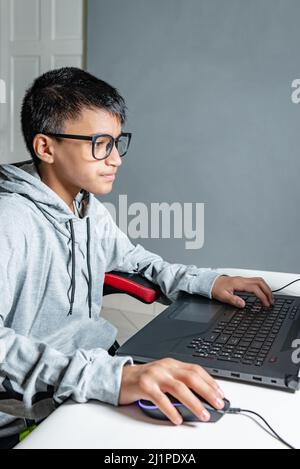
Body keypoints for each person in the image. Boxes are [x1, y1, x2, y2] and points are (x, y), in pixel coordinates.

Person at [0, 67, 274, 448]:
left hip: (98, 368)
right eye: (100, 143)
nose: (116, 159)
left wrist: (208, 281)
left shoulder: (86, 206)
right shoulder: (10, 220)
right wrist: (113, 379)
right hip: (34, 410)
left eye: (116, 142)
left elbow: (136, 261)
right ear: (46, 147)